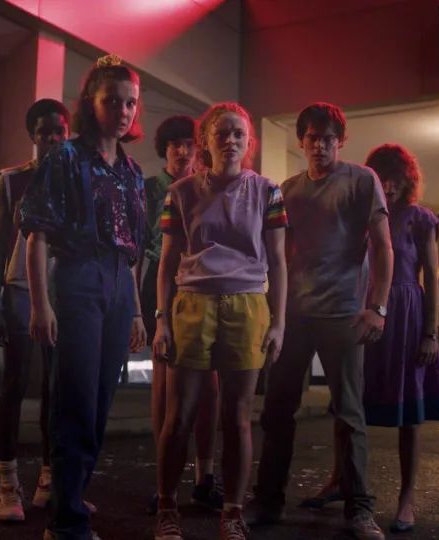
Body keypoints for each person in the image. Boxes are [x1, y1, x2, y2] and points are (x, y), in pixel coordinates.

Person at [252, 102, 393, 540]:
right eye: (312, 138)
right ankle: (268, 503)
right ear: (301, 141)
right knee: (277, 410)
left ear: (341, 141)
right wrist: (273, 312)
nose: (320, 145)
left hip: (344, 313)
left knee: (349, 413)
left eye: (328, 138)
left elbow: (383, 246)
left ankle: (359, 509)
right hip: (294, 314)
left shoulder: (361, 180)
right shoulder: (288, 190)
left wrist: (378, 307)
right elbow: (276, 255)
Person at [20, 54, 148, 540]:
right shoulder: (66, 158)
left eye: (130, 103)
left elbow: (131, 251)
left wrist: (136, 311)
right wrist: (40, 303)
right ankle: (65, 520)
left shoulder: (132, 171)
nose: (123, 111)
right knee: (73, 398)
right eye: (112, 100)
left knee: (99, 402)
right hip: (77, 276)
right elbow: (37, 234)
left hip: (118, 282)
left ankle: (70, 492)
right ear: (91, 103)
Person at [152, 102, 288, 540]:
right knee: (179, 415)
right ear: (205, 141)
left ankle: (232, 512)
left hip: (248, 306)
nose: (231, 141)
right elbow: (167, 261)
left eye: (239, 134)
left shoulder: (268, 192)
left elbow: (278, 261)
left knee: (238, 416)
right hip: (193, 304)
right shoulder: (181, 192)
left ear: (248, 143)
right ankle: (167, 507)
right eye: (222, 133)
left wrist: (278, 322)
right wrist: (162, 320)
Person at [0, 99, 74, 521]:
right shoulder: (12, 179)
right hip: (19, 288)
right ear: (32, 136)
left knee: (57, 388)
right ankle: (7, 483)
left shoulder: (78, 178)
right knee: (16, 382)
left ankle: (49, 478)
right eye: (44, 132)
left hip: (64, 291)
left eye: (59, 131)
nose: (53, 138)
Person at [362, 144, 439, 535]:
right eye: (382, 178)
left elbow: (432, 277)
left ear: (407, 180)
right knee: (350, 402)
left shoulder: (420, 219)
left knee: (410, 413)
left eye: (396, 179)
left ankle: (407, 497)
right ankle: (339, 480)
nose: (389, 186)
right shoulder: (366, 216)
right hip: (369, 309)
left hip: (409, 314)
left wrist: (430, 334)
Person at [140, 115, 223, 515]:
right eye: (175, 144)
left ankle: (206, 475)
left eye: (189, 144)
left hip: (204, 285)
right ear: (165, 149)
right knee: (164, 383)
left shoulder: (208, 185)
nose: (182, 151)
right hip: (162, 282)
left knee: (209, 382)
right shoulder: (149, 188)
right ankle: (165, 480)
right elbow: (137, 246)